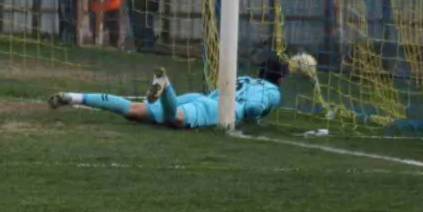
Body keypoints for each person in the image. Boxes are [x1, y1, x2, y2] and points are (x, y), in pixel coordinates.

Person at [47, 52, 291, 129]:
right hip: (212, 110)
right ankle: (165, 86)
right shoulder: (272, 92)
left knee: (133, 111)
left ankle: (73, 97)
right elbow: (252, 107)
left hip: (205, 99)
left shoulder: (244, 79)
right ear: (280, 80)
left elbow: (220, 93)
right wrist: (254, 119)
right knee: (174, 120)